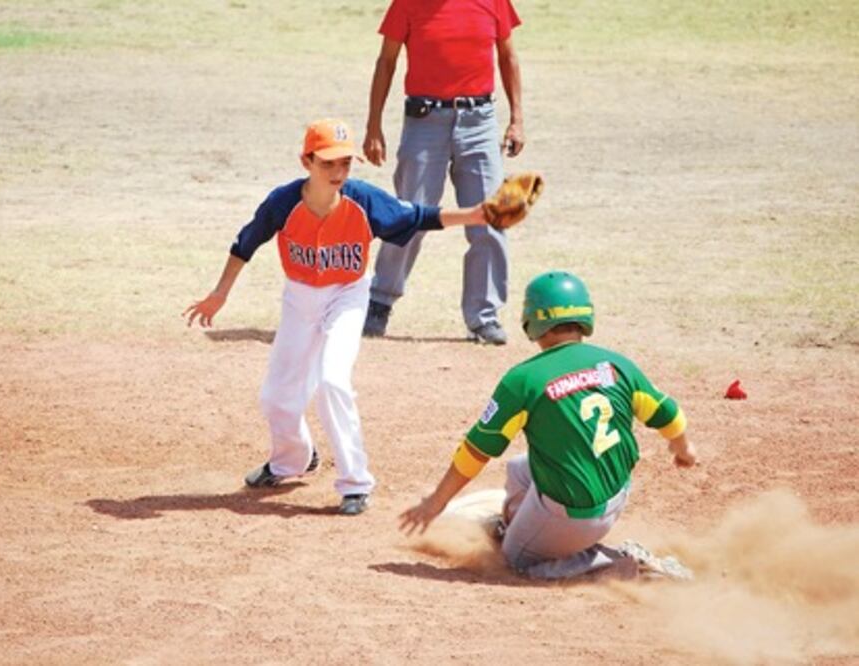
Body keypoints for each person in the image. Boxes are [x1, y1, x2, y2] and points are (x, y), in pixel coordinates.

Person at [184, 119, 490, 516]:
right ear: (306, 161)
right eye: (328, 163)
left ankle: (355, 484)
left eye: (345, 163)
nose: (338, 172)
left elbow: (418, 216)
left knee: (332, 381)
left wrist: (477, 214)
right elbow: (246, 242)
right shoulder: (283, 202)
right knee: (276, 398)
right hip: (298, 298)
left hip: (348, 295)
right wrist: (220, 293)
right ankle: (291, 461)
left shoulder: (362, 200)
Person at [399, 271, 698, 579]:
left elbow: (475, 451)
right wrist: (683, 448)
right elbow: (668, 413)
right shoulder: (617, 364)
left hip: (576, 516)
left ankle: (620, 562)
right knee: (519, 468)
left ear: (532, 319)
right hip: (616, 494)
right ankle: (525, 530)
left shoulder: (525, 380)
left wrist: (435, 503)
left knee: (515, 561)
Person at [361, 0, 525, 345]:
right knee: (408, 214)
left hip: (479, 121)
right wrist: (373, 126)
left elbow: (508, 57)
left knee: (491, 217)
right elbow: (386, 61)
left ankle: (484, 316)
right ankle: (379, 301)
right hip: (424, 122)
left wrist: (517, 120)